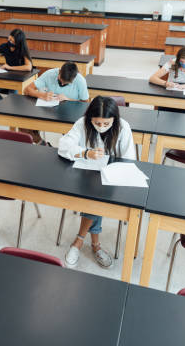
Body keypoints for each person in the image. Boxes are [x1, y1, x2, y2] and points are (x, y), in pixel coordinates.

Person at [58, 96, 135, 268]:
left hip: (113, 179)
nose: (101, 127)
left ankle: (79, 240)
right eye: (97, 123)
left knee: (97, 194)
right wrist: (86, 153)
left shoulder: (123, 127)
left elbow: (129, 159)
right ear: (90, 118)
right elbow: (63, 146)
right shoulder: (82, 123)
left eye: (106, 124)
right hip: (84, 175)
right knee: (95, 194)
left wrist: (112, 169)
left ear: (114, 119)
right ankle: (95, 245)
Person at [23, 61, 90, 144]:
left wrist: (68, 99)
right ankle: (41, 143)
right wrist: (42, 95)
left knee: (71, 139)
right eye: (60, 80)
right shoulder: (49, 74)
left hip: (70, 113)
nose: (61, 84)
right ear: (59, 72)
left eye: (65, 84)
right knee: (24, 124)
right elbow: (27, 90)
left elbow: (85, 103)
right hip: (50, 110)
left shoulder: (80, 81)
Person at [0, 28, 33, 103]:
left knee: (12, 97)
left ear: (18, 42)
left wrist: (10, 67)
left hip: (19, 78)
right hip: (7, 76)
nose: (9, 40)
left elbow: (28, 67)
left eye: (12, 40)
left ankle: (10, 111)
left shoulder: (22, 49)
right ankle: (2, 107)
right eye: (10, 37)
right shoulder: (4, 46)